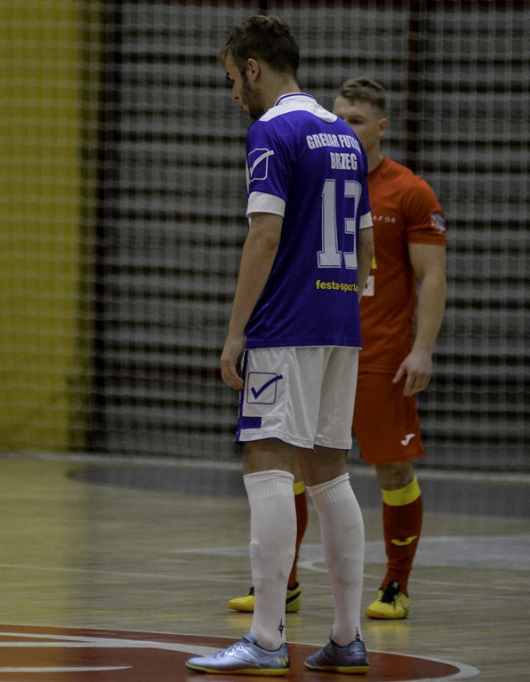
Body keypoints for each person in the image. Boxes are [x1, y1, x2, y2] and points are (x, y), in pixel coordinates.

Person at [185, 16, 373, 675]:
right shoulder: (344, 137)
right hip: (339, 323)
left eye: (232, 77)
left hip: (287, 323)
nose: (233, 91)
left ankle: (265, 640)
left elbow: (264, 236)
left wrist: (236, 332)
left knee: (264, 462)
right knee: (330, 471)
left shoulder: (272, 130)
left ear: (254, 68)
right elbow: (362, 239)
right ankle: (347, 635)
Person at [225, 77, 447, 622]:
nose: (345, 125)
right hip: (332, 332)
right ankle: (295, 592)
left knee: (379, 466)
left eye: (357, 120)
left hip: (374, 349)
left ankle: (393, 584)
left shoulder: (410, 191)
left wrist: (422, 348)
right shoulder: (325, 164)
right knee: (311, 465)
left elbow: (432, 276)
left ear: (381, 128)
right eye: (341, 115)